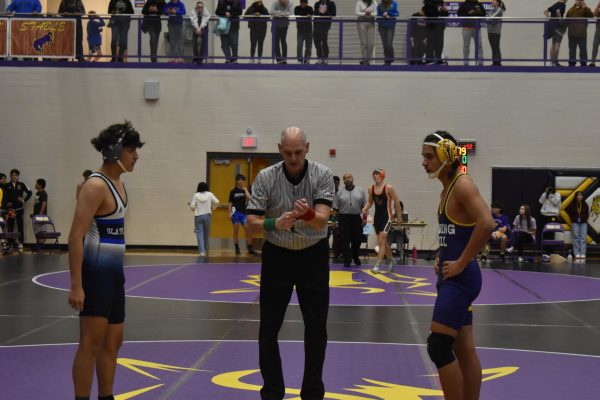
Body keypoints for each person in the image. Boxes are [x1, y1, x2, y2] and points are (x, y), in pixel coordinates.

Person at [246, 127, 334, 400]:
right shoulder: (265, 177)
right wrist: (275, 223)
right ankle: (272, 391)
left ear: (307, 147)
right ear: (279, 149)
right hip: (278, 256)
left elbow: (321, 218)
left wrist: (305, 213)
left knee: (316, 327)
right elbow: (251, 226)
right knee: (268, 327)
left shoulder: (322, 174)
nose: (294, 158)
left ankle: (312, 392)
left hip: (313, 254)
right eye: (288, 152)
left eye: (298, 152)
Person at [68, 121, 144, 400]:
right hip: (96, 275)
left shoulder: (119, 185)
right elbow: (75, 237)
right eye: (131, 150)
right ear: (114, 151)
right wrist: (76, 284)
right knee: (90, 343)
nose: (136, 156)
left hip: (114, 276)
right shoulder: (95, 186)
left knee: (113, 342)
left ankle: (106, 396)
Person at [421, 130, 494, 400]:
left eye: (429, 157)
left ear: (445, 156)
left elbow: (486, 223)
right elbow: (457, 232)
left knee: (438, 347)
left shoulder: (462, 185)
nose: (424, 162)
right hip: (453, 276)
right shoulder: (446, 189)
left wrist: (462, 261)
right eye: (423, 156)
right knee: (464, 350)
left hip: (461, 280)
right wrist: (443, 252)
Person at [362, 168, 402, 273]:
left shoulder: (388, 188)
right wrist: (364, 209)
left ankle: (377, 265)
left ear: (382, 176)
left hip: (387, 217)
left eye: (377, 174)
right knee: (383, 242)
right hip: (377, 218)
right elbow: (370, 202)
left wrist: (399, 216)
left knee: (381, 241)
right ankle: (390, 259)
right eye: (374, 174)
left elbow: (397, 202)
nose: (375, 176)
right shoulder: (371, 189)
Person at [333, 173, 367, 267]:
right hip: (343, 218)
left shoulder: (360, 191)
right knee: (344, 240)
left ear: (353, 179)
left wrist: (364, 219)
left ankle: (355, 256)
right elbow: (335, 209)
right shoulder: (339, 193)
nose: (347, 179)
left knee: (357, 240)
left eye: (349, 177)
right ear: (343, 181)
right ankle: (347, 260)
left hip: (356, 218)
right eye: (345, 178)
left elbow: (365, 207)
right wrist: (333, 221)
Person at [3, 169, 33, 251]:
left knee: (20, 226)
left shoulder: (21, 184)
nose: (14, 176)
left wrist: (24, 200)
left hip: (19, 209)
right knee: (10, 226)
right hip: (11, 210)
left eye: (16, 175)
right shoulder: (6, 185)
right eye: (13, 175)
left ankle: (20, 242)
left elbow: (30, 192)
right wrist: (6, 204)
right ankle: (10, 243)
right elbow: (3, 197)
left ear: (18, 176)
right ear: (10, 176)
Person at [228, 174, 257, 255]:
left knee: (248, 230)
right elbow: (230, 203)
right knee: (236, 231)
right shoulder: (233, 191)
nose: (241, 181)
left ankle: (250, 248)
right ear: (237, 181)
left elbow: (250, 198)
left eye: (243, 180)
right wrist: (229, 213)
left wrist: (245, 190)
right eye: (240, 180)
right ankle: (237, 248)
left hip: (243, 213)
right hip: (235, 213)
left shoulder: (244, 190)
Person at [189, 182, 219, 256]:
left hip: (198, 216)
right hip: (207, 216)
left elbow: (192, 206)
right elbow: (217, 202)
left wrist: (193, 208)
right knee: (206, 234)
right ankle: (205, 250)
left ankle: (202, 252)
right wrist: (214, 208)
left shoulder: (196, 195)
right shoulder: (210, 194)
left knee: (199, 235)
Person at [458, 0, 486, 66]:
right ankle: (466, 62)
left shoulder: (479, 4)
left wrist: (477, 12)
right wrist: (469, 13)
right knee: (466, 45)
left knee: (479, 45)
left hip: (477, 28)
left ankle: (480, 62)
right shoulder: (464, 4)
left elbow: (484, 14)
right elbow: (459, 14)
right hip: (466, 28)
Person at [566, 0, 593, 66]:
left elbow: (591, 16)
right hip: (571, 34)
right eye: (578, 0)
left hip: (582, 34)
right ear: (575, 1)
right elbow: (566, 20)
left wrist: (585, 7)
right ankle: (572, 62)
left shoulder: (586, 9)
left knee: (583, 49)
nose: (580, 1)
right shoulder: (571, 10)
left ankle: (583, 63)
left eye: (581, 0)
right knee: (572, 49)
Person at [424, 0, 449, 65]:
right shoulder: (427, 3)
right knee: (430, 43)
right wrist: (438, 10)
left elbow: (446, 15)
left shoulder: (442, 3)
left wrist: (445, 10)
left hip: (440, 26)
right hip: (431, 26)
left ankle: (438, 59)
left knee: (439, 43)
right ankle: (429, 60)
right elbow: (429, 14)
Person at [566, 191, 589, 260]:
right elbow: (569, 212)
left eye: (581, 195)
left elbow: (587, 213)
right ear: (576, 196)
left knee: (583, 238)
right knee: (576, 237)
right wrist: (573, 218)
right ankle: (577, 253)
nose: (580, 196)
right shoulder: (572, 204)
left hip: (583, 222)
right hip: (575, 222)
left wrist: (583, 218)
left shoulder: (585, 204)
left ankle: (583, 253)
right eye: (579, 195)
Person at [545, 0, 568, 66]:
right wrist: (561, 21)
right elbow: (558, 11)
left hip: (552, 26)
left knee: (553, 44)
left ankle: (551, 62)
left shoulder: (555, 4)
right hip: (559, 27)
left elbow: (545, 11)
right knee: (557, 45)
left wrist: (550, 19)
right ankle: (555, 62)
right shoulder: (563, 5)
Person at [313, 0, 336, 64]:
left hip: (325, 25)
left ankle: (325, 58)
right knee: (316, 42)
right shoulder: (317, 3)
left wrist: (325, 12)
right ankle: (320, 57)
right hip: (317, 25)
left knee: (324, 42)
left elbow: (334, 13)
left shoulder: (331, 3)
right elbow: (315, 13)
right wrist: (320, 11)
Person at [376, 0, 399, 65]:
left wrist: (388, 13)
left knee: (389, 44)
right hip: (381, 26)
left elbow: (397, 14)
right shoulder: (379, 5)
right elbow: (377, 15)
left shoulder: (394, 3)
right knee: (384, 44)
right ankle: (387, 60)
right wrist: (382, 15)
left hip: (390, 26)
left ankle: (390, 58)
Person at [356, 0, 377, 65]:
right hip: (361, 22)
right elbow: (357, 12)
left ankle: (368, 59)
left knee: (371, 43)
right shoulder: (359, 2)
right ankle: (365, 60)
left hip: (371, 22)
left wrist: (370, 14)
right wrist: (365, 13)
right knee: (364, 42)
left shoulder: (374, 2)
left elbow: (376, 13)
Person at [487, 0, 506, 66]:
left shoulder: (499, 9)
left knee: (496, 47)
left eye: (494, 1)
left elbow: (491, 17)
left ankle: (498, 62)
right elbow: (487, 17)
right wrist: (488, 18)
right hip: (490, 31)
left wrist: (489, 18)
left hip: (496, 32)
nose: (492, 2)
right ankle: (494, 62)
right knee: (493, 47)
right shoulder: (492, 10)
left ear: (497, 3)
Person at [32, 178, 48, 251]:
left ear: (40, 185)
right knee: (37, 231)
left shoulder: (43, 194)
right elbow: (36, 204)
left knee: (43, 230)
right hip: (36, 215)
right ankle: (38, 244)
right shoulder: (37, 193)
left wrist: (40, 215)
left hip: (41, 216)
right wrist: (33, 213)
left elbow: (44, 204)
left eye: (36, 184)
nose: (35, 185)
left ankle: (43, 245)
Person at [589, 0, 600, 66]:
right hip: (598, 30)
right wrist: (598, 6)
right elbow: (594, 14)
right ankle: (593, 62)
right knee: (595, 45)